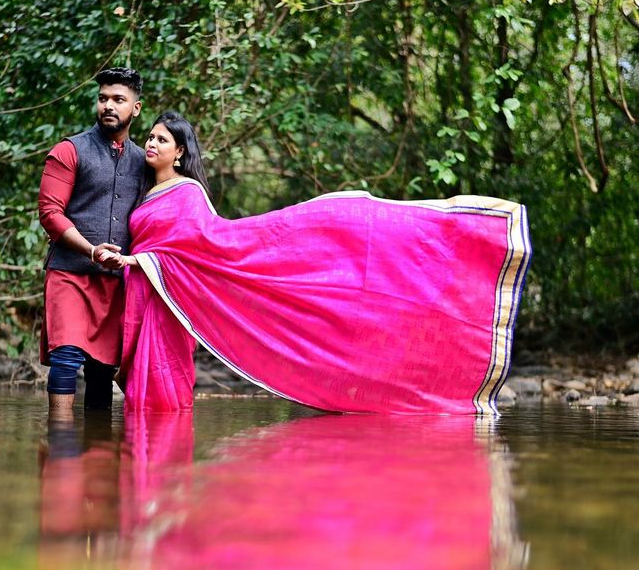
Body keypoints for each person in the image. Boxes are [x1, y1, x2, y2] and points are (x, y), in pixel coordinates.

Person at [106, 111, 533, 415]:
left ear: (179, 152)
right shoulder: (143, 193)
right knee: (141, 397)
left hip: (169, 298)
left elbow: (202, 246)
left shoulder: (189, 194)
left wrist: (137, 259)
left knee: (162, 390)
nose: (152, 143)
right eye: (152, 137)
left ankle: (159, 469)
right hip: (147, 296)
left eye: (162, 139)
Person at [38, 67, 146, 420]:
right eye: (103, 99)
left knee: (102, 368)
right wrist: (90, 249)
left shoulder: (143, 162)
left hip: (115, 282)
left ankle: (98, 458)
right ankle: (61, 443)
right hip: (69, 272)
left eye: (118, 100)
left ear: (136, 108)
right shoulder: (69, 150)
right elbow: (49, 213)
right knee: (66, 357)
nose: (108, 106)